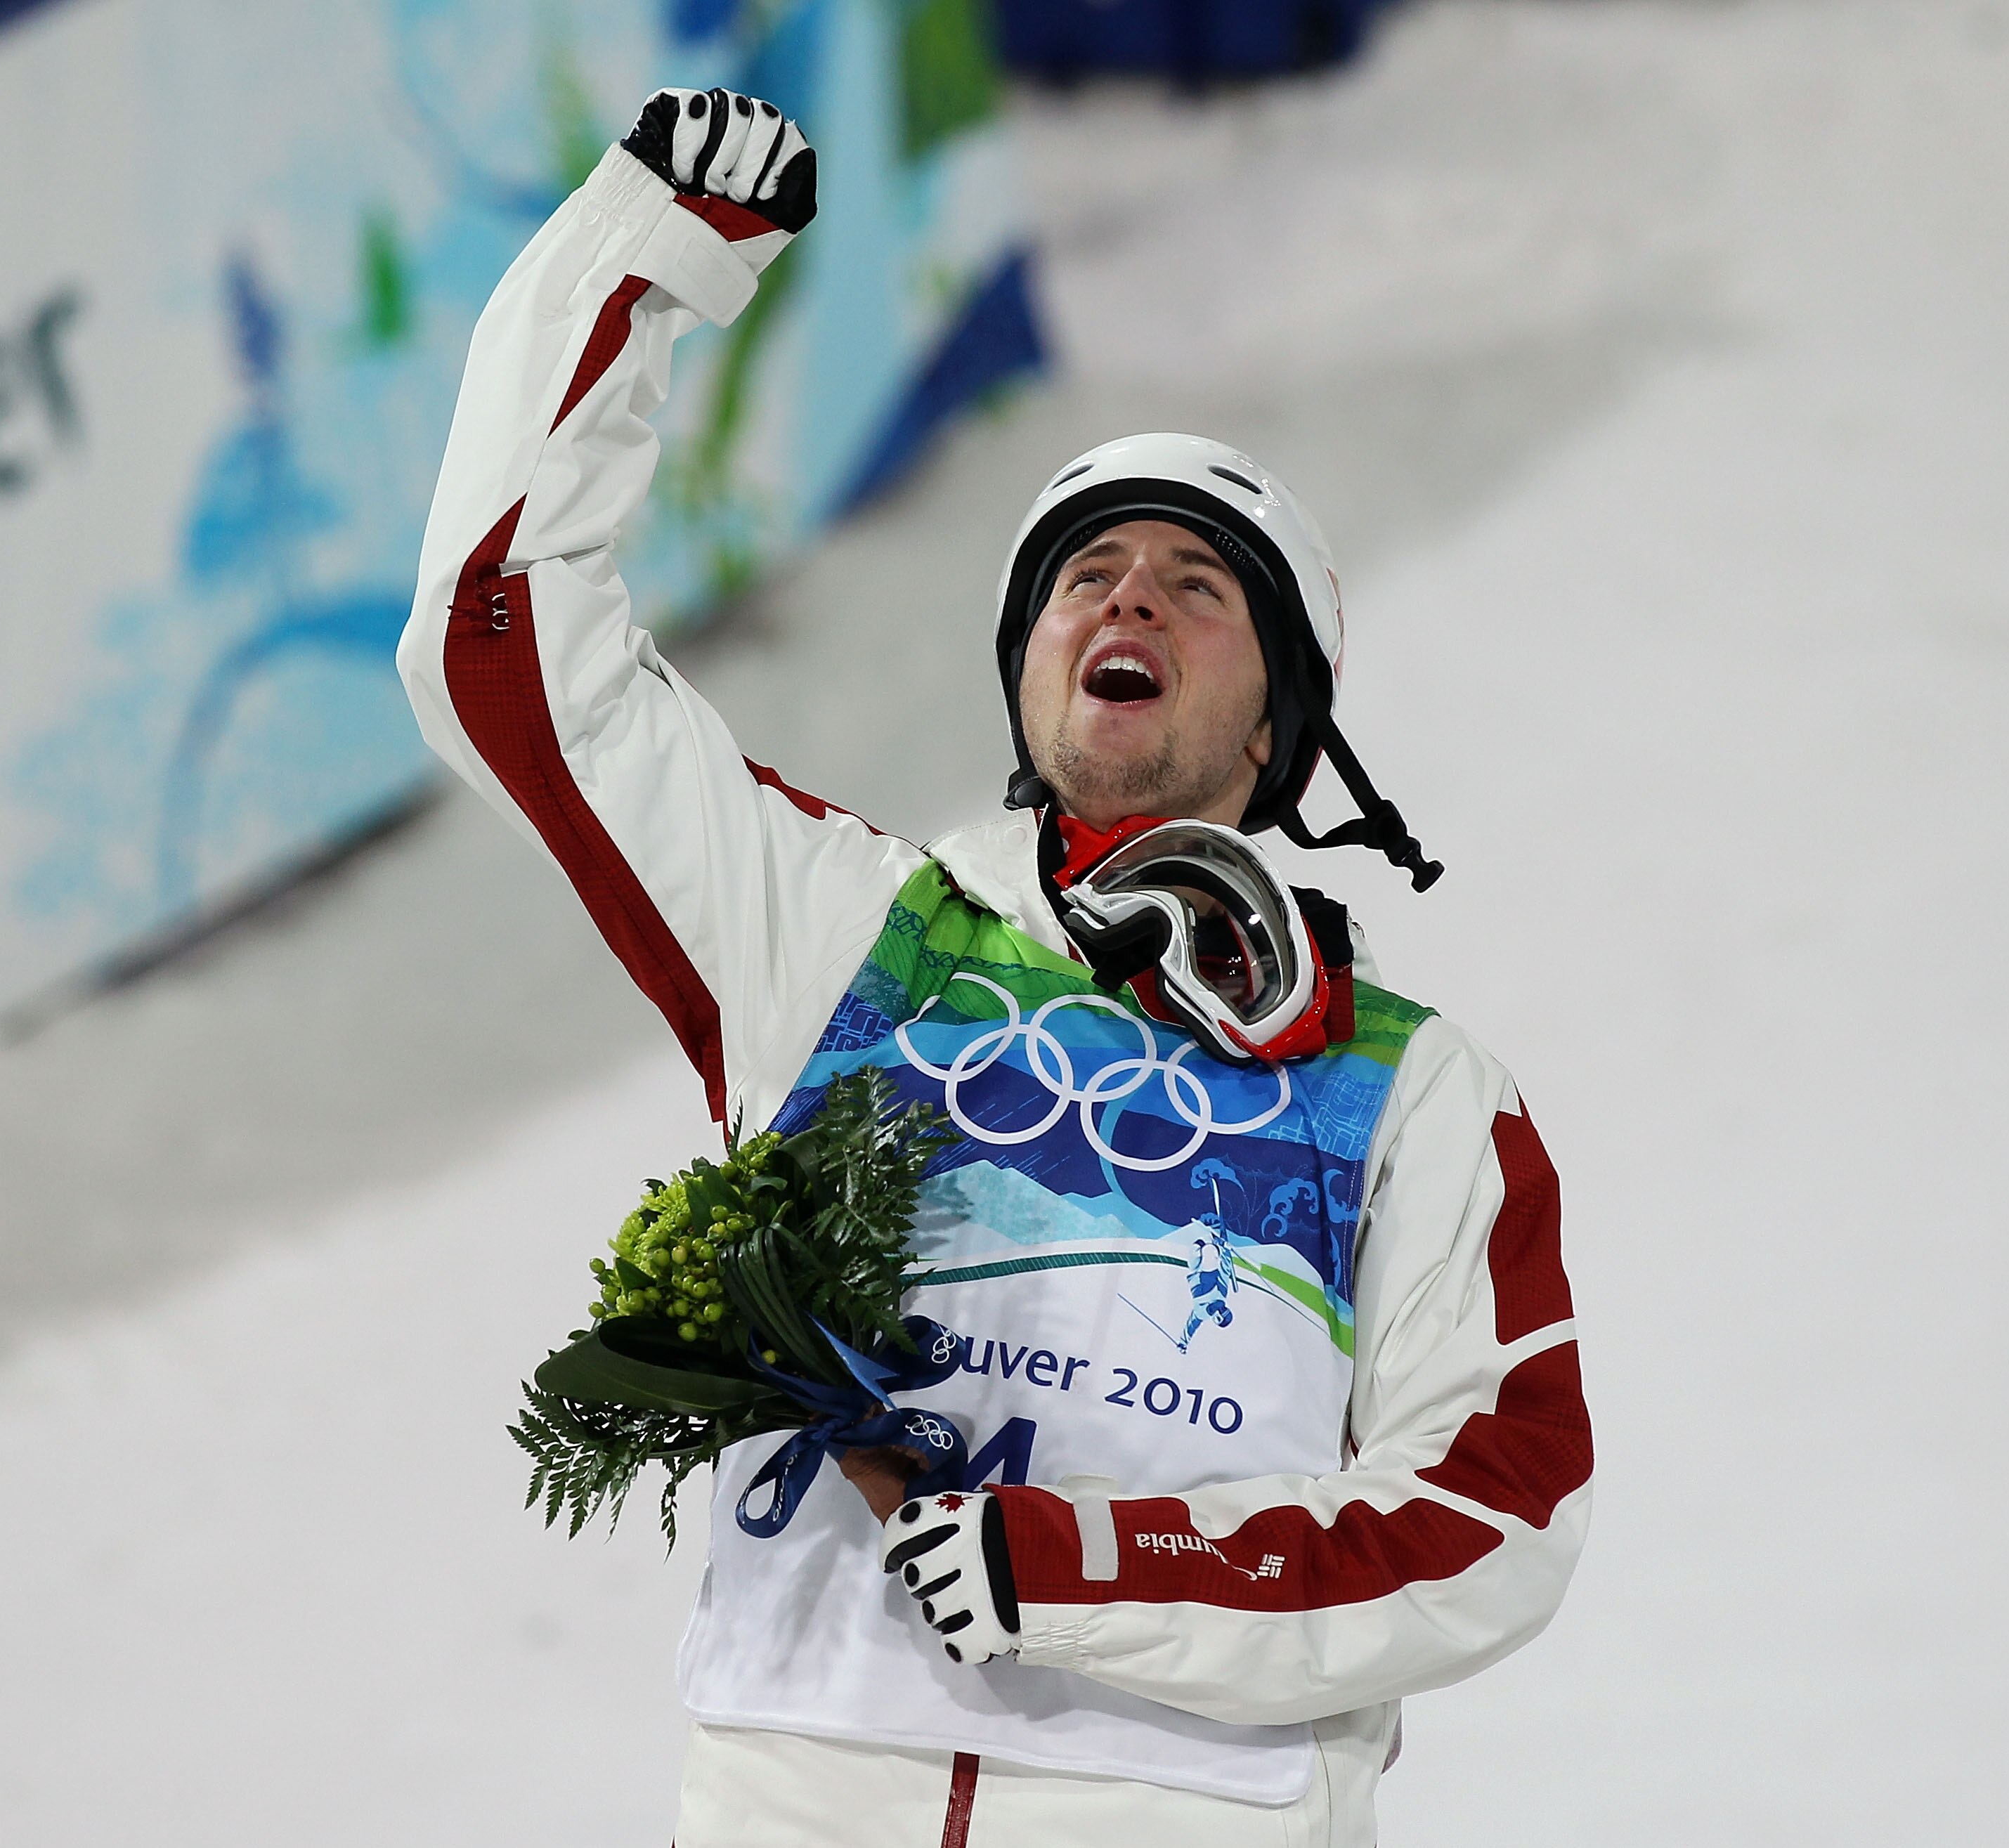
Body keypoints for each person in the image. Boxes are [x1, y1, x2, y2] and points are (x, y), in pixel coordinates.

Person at [400, 85, 1592, 1848]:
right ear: (1027, 669)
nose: (1125, 603)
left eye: (1198, 586)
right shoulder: (837, 934)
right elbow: (503, 651)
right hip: (796, 1791)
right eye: (1082, 576)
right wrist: (638, 256)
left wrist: (1083, 1568)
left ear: (1280, 727)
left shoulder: (1411, 1091)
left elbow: (1496, 1509)